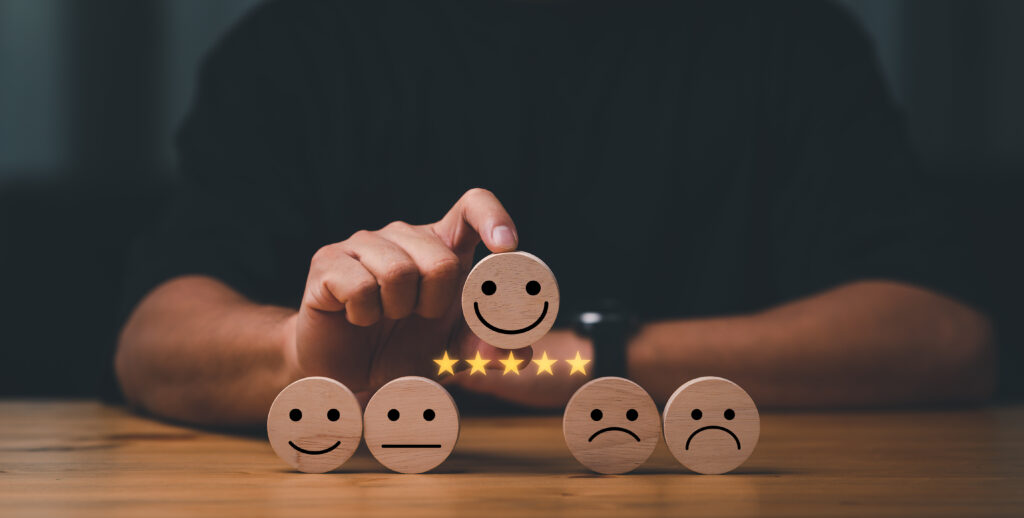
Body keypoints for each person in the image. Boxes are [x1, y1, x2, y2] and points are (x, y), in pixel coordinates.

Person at [116, 0, 994, 427]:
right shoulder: (300, 46)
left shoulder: (785, 37)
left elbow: (942, 338)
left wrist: (560, 360)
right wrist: (304, 355)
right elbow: (153, 340)